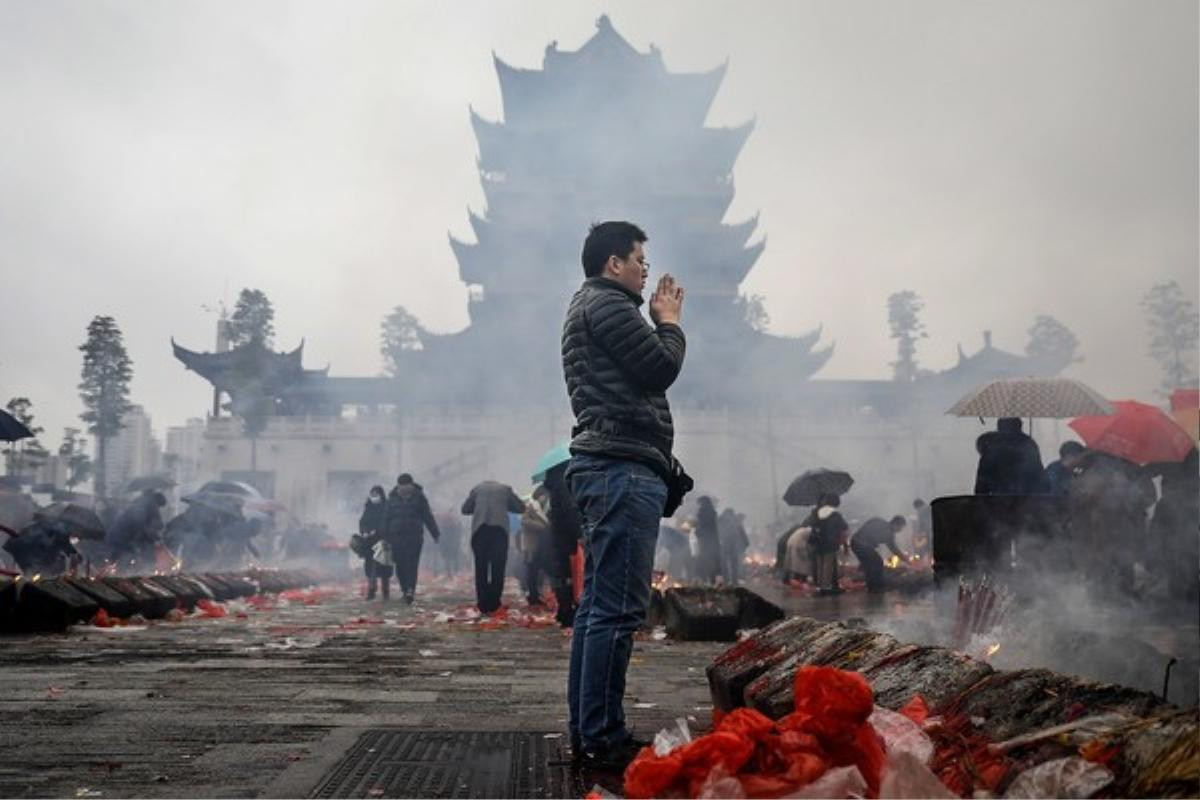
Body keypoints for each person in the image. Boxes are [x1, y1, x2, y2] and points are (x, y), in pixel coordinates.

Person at [561, 220, 686, 770]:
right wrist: (670, 324)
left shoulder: (594, 305)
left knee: (597, 611)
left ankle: (590, 731)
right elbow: (660, 368)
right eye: (640, 258)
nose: (646, 269)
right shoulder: (610, 306)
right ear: (614, 263)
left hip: (610, 466)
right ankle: (603, 738)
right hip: (621, 468)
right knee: (616, 611)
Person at [461, 479, 526, 614]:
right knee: (498, 568)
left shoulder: (477, 489)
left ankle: (483, 603)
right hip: (499, 531)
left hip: (480, 531)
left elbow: (465, 509)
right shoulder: (505, 489)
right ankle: (494, 602)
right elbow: (520, 508)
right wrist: (505, 505)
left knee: (481, 568)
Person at [383, 473, 440, 604]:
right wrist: (384, 537)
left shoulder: (419, 498)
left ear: (411, 485)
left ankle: (410, 590)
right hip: (395, 538)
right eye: (401, 486)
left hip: (414, 537)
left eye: (407, 486)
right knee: (400, 565)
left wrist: (435, 533)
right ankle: (404, 589)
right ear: (398, 486)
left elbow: (427, 516)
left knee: (412, 565)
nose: (404, 489)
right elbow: (386, 519)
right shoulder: (391, 499)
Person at [543, 463, 582, 628]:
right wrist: (579, 534)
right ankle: (568, 613)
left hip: (558, 535)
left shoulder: (553, 485)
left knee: (561, 574)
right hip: (569, 536)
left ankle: (564, 611)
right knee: (571, 574)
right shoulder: (565, 484)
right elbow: (570, 511)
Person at [974, 417, 1045, 495]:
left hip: (998, 500)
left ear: (999, 427)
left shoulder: (992, 446)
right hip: (1025, 500)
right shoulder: (1029, 444)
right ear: (1019, 426)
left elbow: (982, 484)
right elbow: (1039, 477)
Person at [108, 490, 167, 569]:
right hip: (126, 535)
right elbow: (143, 525)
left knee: (117, 555)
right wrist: (155, 537)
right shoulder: (149, 505)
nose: (158, 508)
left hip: (121, 533)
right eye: (159, 506)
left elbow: (149, 524)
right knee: (126, 555)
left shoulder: (141, 502)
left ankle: (108, 570)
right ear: (158, 502)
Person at [850, 515, 910, 593]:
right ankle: (877, 587)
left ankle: (873, 587)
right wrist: (905, 559)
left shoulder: (878, 520)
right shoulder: (889, 533)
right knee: (877, 563)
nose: (900, 530)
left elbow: (867, 526)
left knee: (870, 565)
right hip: (862, 544)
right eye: (901, 528)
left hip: (855, 542)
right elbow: (894, 549)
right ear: (896, 524)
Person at [809, 494, 848, 594]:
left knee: (820, 565)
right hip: (830, 543)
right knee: (828, 565)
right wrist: (845, 545)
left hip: (817, 543)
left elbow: (812, 526)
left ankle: (819, 585)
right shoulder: (835, 514)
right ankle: (825, 587)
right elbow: (844, 528)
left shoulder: (817, 513)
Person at [520, 486, 552, 606]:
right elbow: (524, 521)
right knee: (532, 569)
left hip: (543, 543)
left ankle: (537, 593)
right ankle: (532, 595)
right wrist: (541, 526)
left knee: (540, 568)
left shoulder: (546, 507)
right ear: (540, 495)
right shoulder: (530, 507)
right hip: (532, 543)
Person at [356, 485, 389, 599]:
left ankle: (385, 591)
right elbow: (362, 521)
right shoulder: (368, 507)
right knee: (371, 568)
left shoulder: (386, 507)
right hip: (369, 542)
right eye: (372, 495)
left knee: (384, 568)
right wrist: (364, 531)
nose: (374, 497)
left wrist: (378, 531)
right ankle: (371, 589)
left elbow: (388, 522)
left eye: (376, 495)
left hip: (384, 541)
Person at [692, 496, 722, 584]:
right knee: (712, 559)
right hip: (713, 539)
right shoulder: (713, 511)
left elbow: (702, 526)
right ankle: (711, 579)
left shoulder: (702, 511)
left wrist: (697, 531)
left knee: (704, 558)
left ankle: (704, 579)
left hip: (705, 539)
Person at [718, 508, 750, 585]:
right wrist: (746, 543)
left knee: (724, 562)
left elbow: (717, 531)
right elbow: (742, 532)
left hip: (724, 544)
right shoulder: (735, 520)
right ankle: (734, 580)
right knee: (734, 563)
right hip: (734, 544)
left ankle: (726, 579)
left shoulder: (720, 519)